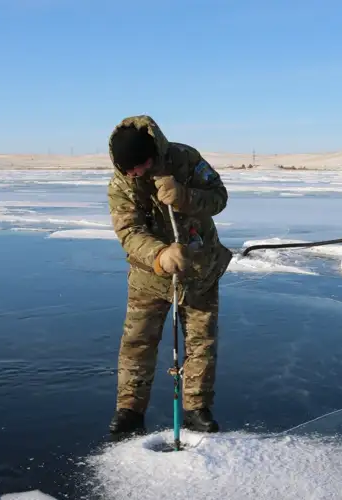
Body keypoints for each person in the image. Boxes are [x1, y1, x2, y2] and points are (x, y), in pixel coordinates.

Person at [106, 114, 233, 436]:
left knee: (201, 342)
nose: (133, 173)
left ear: (152, 155)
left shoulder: (186, 159)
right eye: (127, 169)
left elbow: (219, 198)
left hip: (200, 269)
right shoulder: (121, 183)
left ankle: (196, 408)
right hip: (149, 276)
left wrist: (185, 197)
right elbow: (129, 232)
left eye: (138, 166)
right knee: (137, 343)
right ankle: (130, 410)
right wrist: (159, 255)